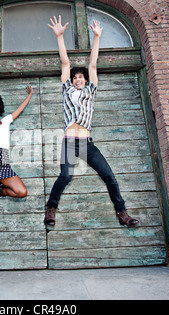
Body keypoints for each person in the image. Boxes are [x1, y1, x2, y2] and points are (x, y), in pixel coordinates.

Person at [44, 16, 138, 227]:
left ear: (85, 80)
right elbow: (65, 62)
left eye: (81, 77)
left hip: (87, 143)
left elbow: (93, 63)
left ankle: (122, 213)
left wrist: (97, 37)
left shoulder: (90, 91)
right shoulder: (66, 89)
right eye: (75, 77)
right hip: (69, 141)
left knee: (108, 176)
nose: (77, 79)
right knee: (66, 177)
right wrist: (59, 37)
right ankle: (51, 210)